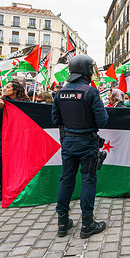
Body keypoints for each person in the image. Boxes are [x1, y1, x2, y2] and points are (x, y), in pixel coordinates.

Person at [51, 54, 109, 238]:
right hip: (87, 142)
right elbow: (103, 120)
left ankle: (62, 223)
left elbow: (55, 119)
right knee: (88, 180)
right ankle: (87, 224)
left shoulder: (60, 92)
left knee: (66, 179)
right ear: (86, 71)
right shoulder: (90, 92)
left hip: (68, 142)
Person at [0, 82, 30, 202]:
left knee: (21, 164)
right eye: (4, 86)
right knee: (3, 165)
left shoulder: (25, 103)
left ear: (15, 90)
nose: (4, 88)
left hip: (20, 139)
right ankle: (3, 191)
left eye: (8, 87)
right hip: (3, 139)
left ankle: (21, 189)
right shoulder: (0, 102)